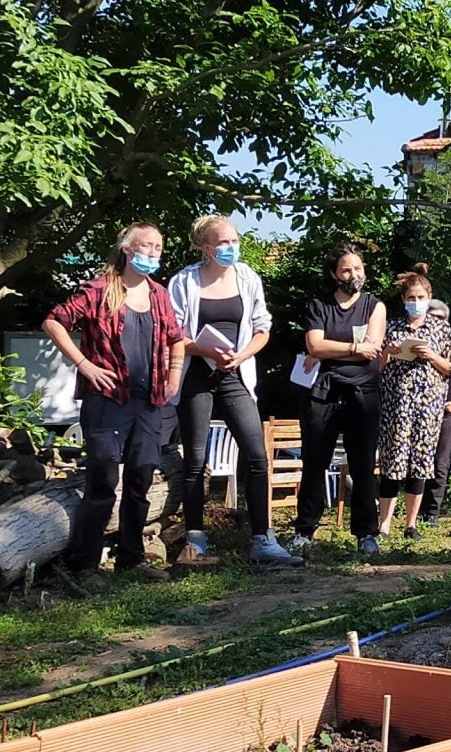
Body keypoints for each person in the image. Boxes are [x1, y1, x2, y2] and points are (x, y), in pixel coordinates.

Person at [43, 223, 188, 585]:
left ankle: (132, 558)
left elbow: (177, 339)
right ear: (127, 249)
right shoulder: (98, 290)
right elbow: (54, 322)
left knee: (140, 478)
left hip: (148, 402)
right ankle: (86, 564)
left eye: (158, 247)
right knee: (104, 480)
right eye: (147, 246)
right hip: (107, 400)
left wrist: (173, 377)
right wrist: (84, 364)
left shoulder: (159, 294)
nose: (153, 253)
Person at [166, 215, 297, 567]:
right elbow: (173, 334)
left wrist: (242, 354)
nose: (231, 247)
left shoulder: (248, 277)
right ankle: (196, 540)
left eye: (234, 240)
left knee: (256, 454)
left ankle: (263, 539)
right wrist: (207, 350)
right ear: (205, 247)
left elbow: (262, 328)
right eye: (223, 242)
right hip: (196, 372)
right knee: (194, 459)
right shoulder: (184, 281)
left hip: (236, 373)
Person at [295, 245, 386, 554]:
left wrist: (331, 348)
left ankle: (366, 534)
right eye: (347, 270)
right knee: (314, 461)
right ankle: (305, 531)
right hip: (323, 391)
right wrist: (352, 349)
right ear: (335, 274)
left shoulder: (375, 306)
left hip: (364, 394)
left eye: (358, 269)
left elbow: (372, 347)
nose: (354, 275)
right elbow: (314, 344)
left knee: (362, 465)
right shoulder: (319, 305)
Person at [379, 265, 451, 540]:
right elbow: (375, 368)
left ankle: (410, 524)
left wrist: (431, 355)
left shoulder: (441, 327)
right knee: (392, 462)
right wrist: (388, 353)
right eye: (410, 298)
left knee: (420, 463)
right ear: (403, 300)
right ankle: (384, 525)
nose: (415, 302)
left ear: (429, 297)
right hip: (396, 406)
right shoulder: (391, 327)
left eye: (420, 297)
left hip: (428, 408)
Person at [412, 298, 451, 526]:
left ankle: (432, 514)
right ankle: (414, 513)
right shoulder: (414, 344)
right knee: (419, 462)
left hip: (447, 412)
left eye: (440, 318)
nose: (436, 321)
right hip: (418, 412)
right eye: (432, 317)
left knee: (440, 463)